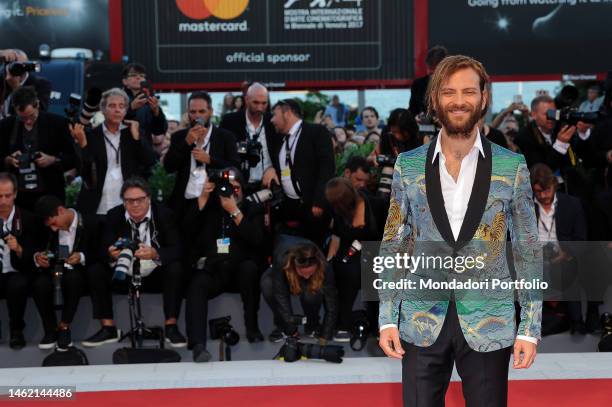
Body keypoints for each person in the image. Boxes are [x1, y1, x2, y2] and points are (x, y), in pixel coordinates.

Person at [378, 55, 542, 406]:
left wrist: (530, 326)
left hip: (489, 320)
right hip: (421, 319)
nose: (459, 101)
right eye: (449, 92)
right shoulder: (407, 166)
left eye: (469, 91)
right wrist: (387, 318)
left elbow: (527, 249)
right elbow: (394, 243)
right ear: (435, 99)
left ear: (483, 98)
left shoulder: (512, 166)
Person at [81, 177, 186, 348]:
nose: (135, 205)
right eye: (129, 201)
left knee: (175, 268)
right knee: (96, 270)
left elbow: (178, 249)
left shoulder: (165, 215)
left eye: (140, 200)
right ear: (123, 202)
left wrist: (155, 252)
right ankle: (108, 328)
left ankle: (171, 326)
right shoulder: (113, 216)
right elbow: (101, 250)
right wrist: (111, 254)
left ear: (149, 199)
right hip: (123, 273)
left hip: (154, 272)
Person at [183, 169, 265, 362]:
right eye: (228, 188)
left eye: (236, 188)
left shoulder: (252, 209)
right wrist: (203, 197)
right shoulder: (211, 209)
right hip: (215, 270)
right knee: (197, 283)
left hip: (241, 272)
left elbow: (257, 239)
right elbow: (187, 230)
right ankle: (198, 345)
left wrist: (235, 211)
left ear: (243, 189)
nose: (232, 192)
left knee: (249, 269)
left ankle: (252, 328)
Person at [70, 88, 155, 215]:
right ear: (103, 110)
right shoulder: (91, 135)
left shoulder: (133, 132)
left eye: (121, 106)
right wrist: (83, 145)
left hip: (129, 204)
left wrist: (137, 138)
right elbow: (84, 173)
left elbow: (149, 162)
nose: (117, 110)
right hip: (98, 203)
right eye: (112, 106)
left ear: (126, 110)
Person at [32, 195, 101, 350]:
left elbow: (102, 252)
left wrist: (82, 256)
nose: (53, 229)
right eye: (50, 225)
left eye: (54, 223)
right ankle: (50, 329)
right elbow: (35, 247)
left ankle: (64, 327)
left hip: (79, 271)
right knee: (40, 284)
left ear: (61, 210)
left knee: (73, 279)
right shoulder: (46, 228)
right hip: (53, 269)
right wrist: (38, 257)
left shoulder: (92, 222)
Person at [265, 99, 335, 247]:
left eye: (274, 115)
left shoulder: (316, 132)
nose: (272, 120)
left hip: (313, 207)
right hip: (289, 208)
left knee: (314, 252)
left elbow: (327, 167)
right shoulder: (279, 139)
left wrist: (319, 201)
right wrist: (271, 169)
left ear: (287, 113)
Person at [164, 91, 239, 217]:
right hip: (184, 203)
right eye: (193, 112)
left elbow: (235, 170)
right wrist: (186, 143)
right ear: (188, 112)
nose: (197, 116)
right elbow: (169, 167)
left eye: (202, 111)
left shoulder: (225, 137)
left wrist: (210, 160)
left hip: (215, 202)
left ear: (210, 111)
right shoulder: (179, 137)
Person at [325, 178, 382, 342]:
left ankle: (379, 323)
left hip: (377, 248)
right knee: (348, 271)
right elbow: (336, 237)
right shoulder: (338, 211)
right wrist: (329, 260)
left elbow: (391, 233)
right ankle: (343, 322)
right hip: (349, 248)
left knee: (373, 271)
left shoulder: (376, 205)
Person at [0, 86, 76, 210]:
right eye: (23, 118)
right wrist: (8, 160)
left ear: (38, 105)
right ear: (15, 109)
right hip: (17, 196)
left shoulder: (58, 123)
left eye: (31, 116)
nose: (28, 121)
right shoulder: (5, 126)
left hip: (50, 193)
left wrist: (53, 159)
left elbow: (73, 158)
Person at [260, 236, 338, 343]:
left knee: (312, 293)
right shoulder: (282, 259)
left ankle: (313, 325)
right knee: (267, 285)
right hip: (284, 271)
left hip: (305, 273)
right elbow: (280, 294)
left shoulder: (324, 266)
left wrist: (325, 335)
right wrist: (291, 329)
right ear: (294, 265)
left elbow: (331, 304)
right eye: (303, 273)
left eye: (310, 273)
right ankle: (283, 326)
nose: (306, 277)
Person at [0, 173, 45, 349]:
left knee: (17, 284)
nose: (3, 201)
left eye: (7, 196)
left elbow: (36, 255)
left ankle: (16, 329)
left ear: (15, 194)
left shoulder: (29, 219)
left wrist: (19, 249)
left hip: (18, 270)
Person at [219, 83, 276, 194]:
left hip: (269, 185)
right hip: (238, 185)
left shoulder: (273, 121)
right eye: (256, 102)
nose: (260, 107)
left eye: (264, 103)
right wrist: (242, 148)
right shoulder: (230, 121)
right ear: (246, 99)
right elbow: (222, 151)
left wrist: (274, 170)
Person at [120, 63, 168, 148]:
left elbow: (159, 130)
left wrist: (156, 112)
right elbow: (113, 122)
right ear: (125, 81)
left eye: (142, 76)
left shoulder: (150, 99)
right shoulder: (117, 97)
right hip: (122, 146)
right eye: (133, 75)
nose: (138, 77)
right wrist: (131, 108)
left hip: (145, 149)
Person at [0, 49, 52, 119]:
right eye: (14, 64)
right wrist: (1, 52)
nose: (18, 68)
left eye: (22, 65)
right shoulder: (2, 80)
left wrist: (16, 88)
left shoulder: (41, 84)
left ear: (28, 65)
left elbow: (36, 116)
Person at [408, 45, 448, 117]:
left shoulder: (456, 86)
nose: (432, 75)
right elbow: (412, 110)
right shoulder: (417, 85)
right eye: (429, 69)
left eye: (435, 71)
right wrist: (415, 118)